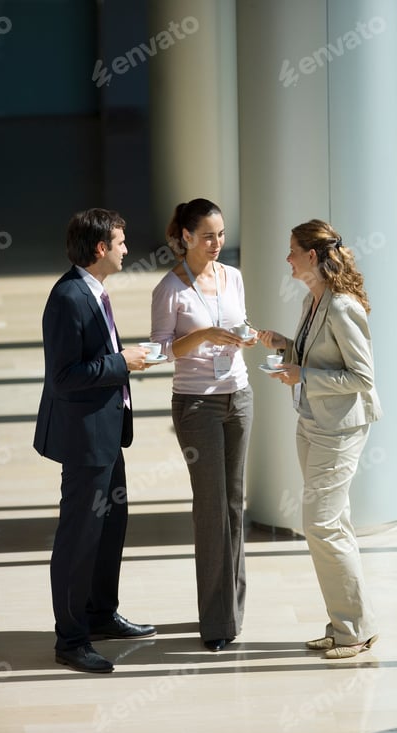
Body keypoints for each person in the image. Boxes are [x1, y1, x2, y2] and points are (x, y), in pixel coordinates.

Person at [34, 208, 157, 674]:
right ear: (101, 248)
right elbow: (64, 378)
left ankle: (101, 614)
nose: (128, 249)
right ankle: (71, 639)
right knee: (79, 537)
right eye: (122, 243)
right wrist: (124, 362)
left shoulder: (95, 292)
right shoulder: (67, 298)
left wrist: (126, 362)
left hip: (107, 433)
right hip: (85, 440)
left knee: (110, 528)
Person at [258, 219, 382, 659]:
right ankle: (349, 624)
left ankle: (352, 630)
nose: (287, 258)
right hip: (312, 422)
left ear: (312, 256)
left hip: (339, 428)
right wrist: (283, 346)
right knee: (333, 524)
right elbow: (316, 355)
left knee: (322, 525)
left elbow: (362, 378)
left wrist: (301, 374)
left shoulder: (344, 306)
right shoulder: (315, 300)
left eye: (292, 250)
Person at [151, 198, 255, 652]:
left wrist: (246, 336)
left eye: (221, 234)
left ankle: (232, 608)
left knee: (234, 504)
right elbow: (160, 351)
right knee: (211, 510)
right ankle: (216, 624)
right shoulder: (169, 290)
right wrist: (203, 337)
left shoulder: (232, 276)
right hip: (197, 405)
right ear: (186, 237)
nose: (217, 243)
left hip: (240, 396)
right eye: (209, 235)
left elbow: (240, 322)